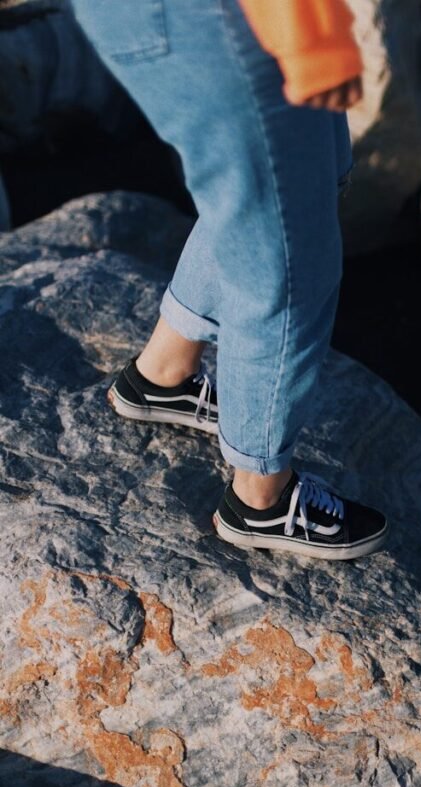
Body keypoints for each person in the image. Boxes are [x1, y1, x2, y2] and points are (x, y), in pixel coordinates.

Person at [70, 0, 388, 560]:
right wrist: (315, 40)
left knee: (294, 188)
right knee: (286, 257)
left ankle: (163, 373)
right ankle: (260, 499)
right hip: (227, 19)